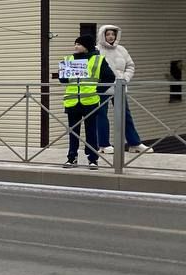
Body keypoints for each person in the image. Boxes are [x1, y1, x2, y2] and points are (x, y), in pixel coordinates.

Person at [95, 24, 153, 155]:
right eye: (108, 34)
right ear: (102, 35)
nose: (111, 37)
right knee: (101, 115)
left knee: (125, 116)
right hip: (102, 88)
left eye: (113, 34)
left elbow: (130, 66)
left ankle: (134, 143)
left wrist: (124, 79)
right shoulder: (96, 50)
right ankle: (103, 144)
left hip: (119, 86)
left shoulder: (122, 50)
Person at [60, 34, 115, 168]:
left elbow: (109, 77)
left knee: (91, 132)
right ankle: (72, 157)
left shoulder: (97, 59)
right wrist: (65, 73)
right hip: (72, 101)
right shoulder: (69, 59)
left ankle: (92, 159)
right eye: (75, 44)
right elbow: (63, 79)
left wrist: (97, 89)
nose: (75, 46)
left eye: (79, 44)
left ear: (86, 46)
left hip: (90, 100)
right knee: (73, 132)